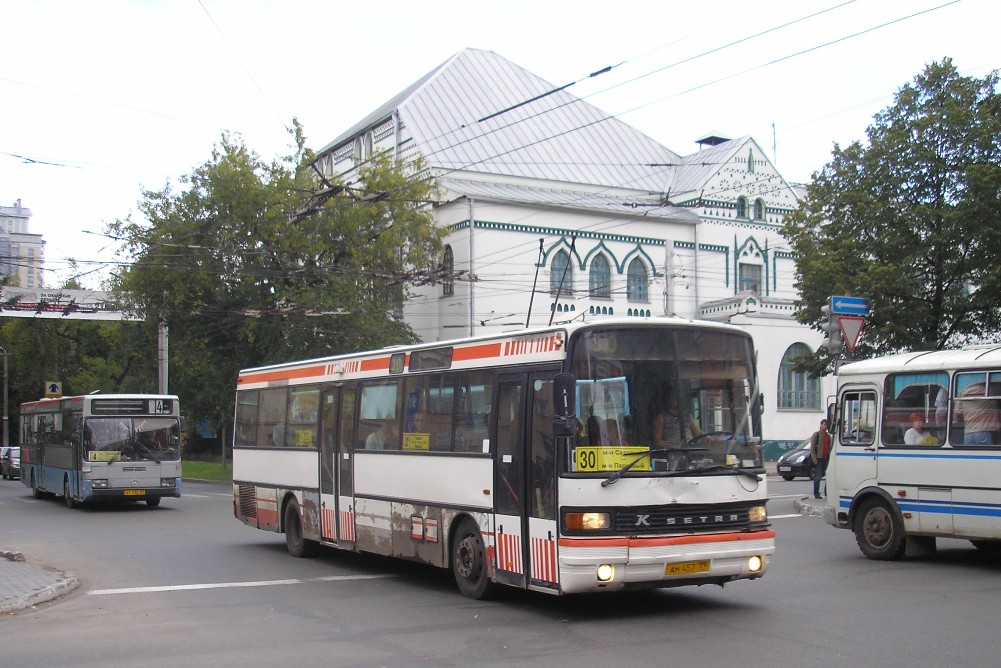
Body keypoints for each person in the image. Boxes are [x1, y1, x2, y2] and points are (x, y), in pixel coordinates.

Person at [810, 419, 831, 499]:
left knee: (828, 476)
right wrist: (814, 459)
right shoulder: (817, 435)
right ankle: (816, 493)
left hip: (826, 458)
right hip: (819, 458)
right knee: (818, 477)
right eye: (824, 424)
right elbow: (812, 448)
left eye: (826, 425)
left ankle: (827, 493)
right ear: (821, 425)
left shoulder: (828, 436)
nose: (826, 426)